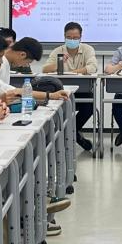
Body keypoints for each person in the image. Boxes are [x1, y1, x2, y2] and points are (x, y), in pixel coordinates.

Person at [42, 22, 97, 150]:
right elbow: (45, 69)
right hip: (62, 93)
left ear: (80, 37)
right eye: (69, 37)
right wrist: (59, 63)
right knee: (54, 108)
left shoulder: (88, 49)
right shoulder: (58, 51)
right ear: (64, 36)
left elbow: (93, 67)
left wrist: (74, 72)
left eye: (75, 38)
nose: (72, 40)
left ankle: (70, 132)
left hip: (82, 91)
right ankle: (76, 136)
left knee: (89, 106)